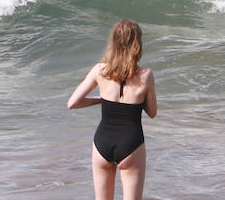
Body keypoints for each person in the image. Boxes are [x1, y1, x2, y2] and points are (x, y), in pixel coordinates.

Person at [67, 20, 159, 200]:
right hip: (131, 143)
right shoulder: (146, 76)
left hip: (102, 142)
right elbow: (152, 112)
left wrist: (102, 99)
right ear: (137, 44)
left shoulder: (100, 70)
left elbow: (73, 103)